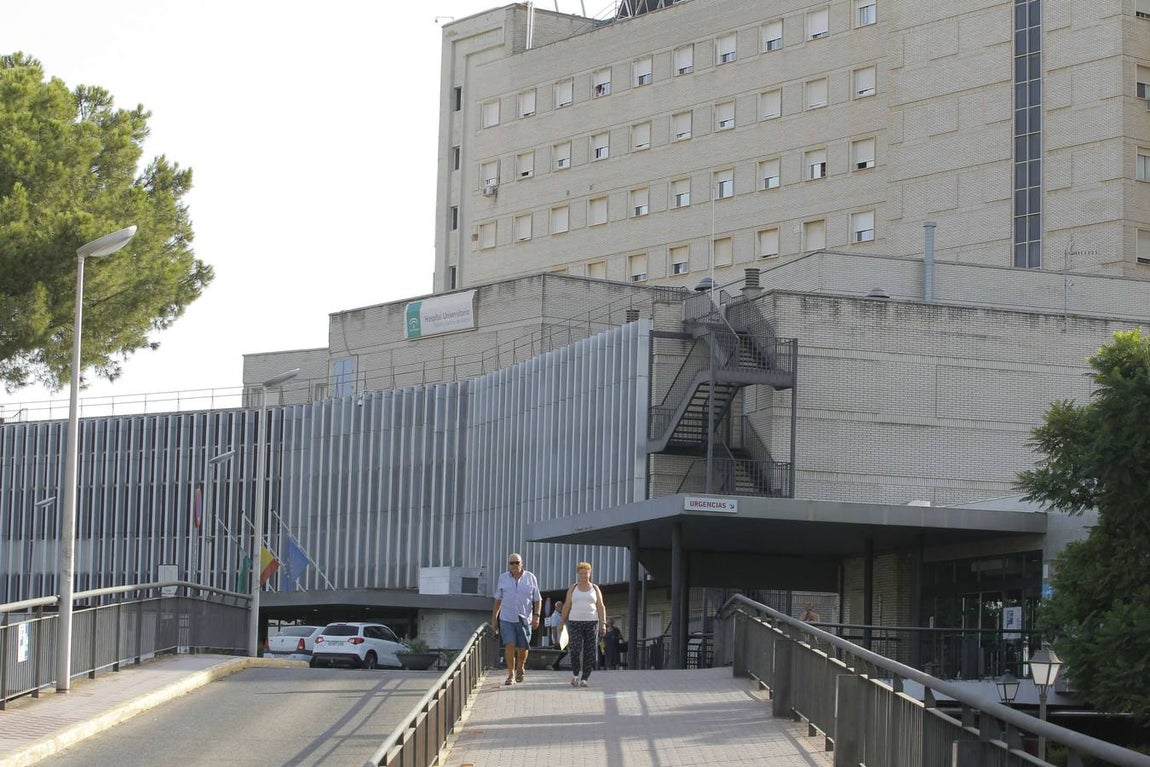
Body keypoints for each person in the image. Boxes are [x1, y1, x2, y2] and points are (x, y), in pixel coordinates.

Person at [491, 552, 541, 686]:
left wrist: (536, 616)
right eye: (511, 563)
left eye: (516, 563)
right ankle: (511, 674)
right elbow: (498, 599)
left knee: (523, 647)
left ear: (521, 563)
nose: (514, 565)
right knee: (510, 644)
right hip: (506, 617)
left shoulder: (531, 578)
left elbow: (537, 600)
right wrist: (494, 619)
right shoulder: (503, 578)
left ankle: (520, 666)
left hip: (524, 618)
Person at [560, 561, 606, 688]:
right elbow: (567, 605)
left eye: (586, 573)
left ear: (589, 574)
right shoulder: (573, 588)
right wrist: (562, 621)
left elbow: (600, 606)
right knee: (575, 649)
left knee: (590, 650)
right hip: (575, 621)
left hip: (591, 622)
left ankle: (585, 678)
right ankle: (575, 674)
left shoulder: (595, 588)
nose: (583, 576)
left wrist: (603, 623)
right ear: (578, 574)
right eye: (581, 573)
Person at [547, 600, 568, 670]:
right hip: (558, 639)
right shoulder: (555, 616)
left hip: (561, 639)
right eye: (561, 606)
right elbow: (553, 628)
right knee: (563, 652)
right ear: (557, 607)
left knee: (562, 653)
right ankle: (554, 665)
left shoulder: (559, 615)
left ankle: (556, 665)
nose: (562, 608)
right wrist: (555, 640)